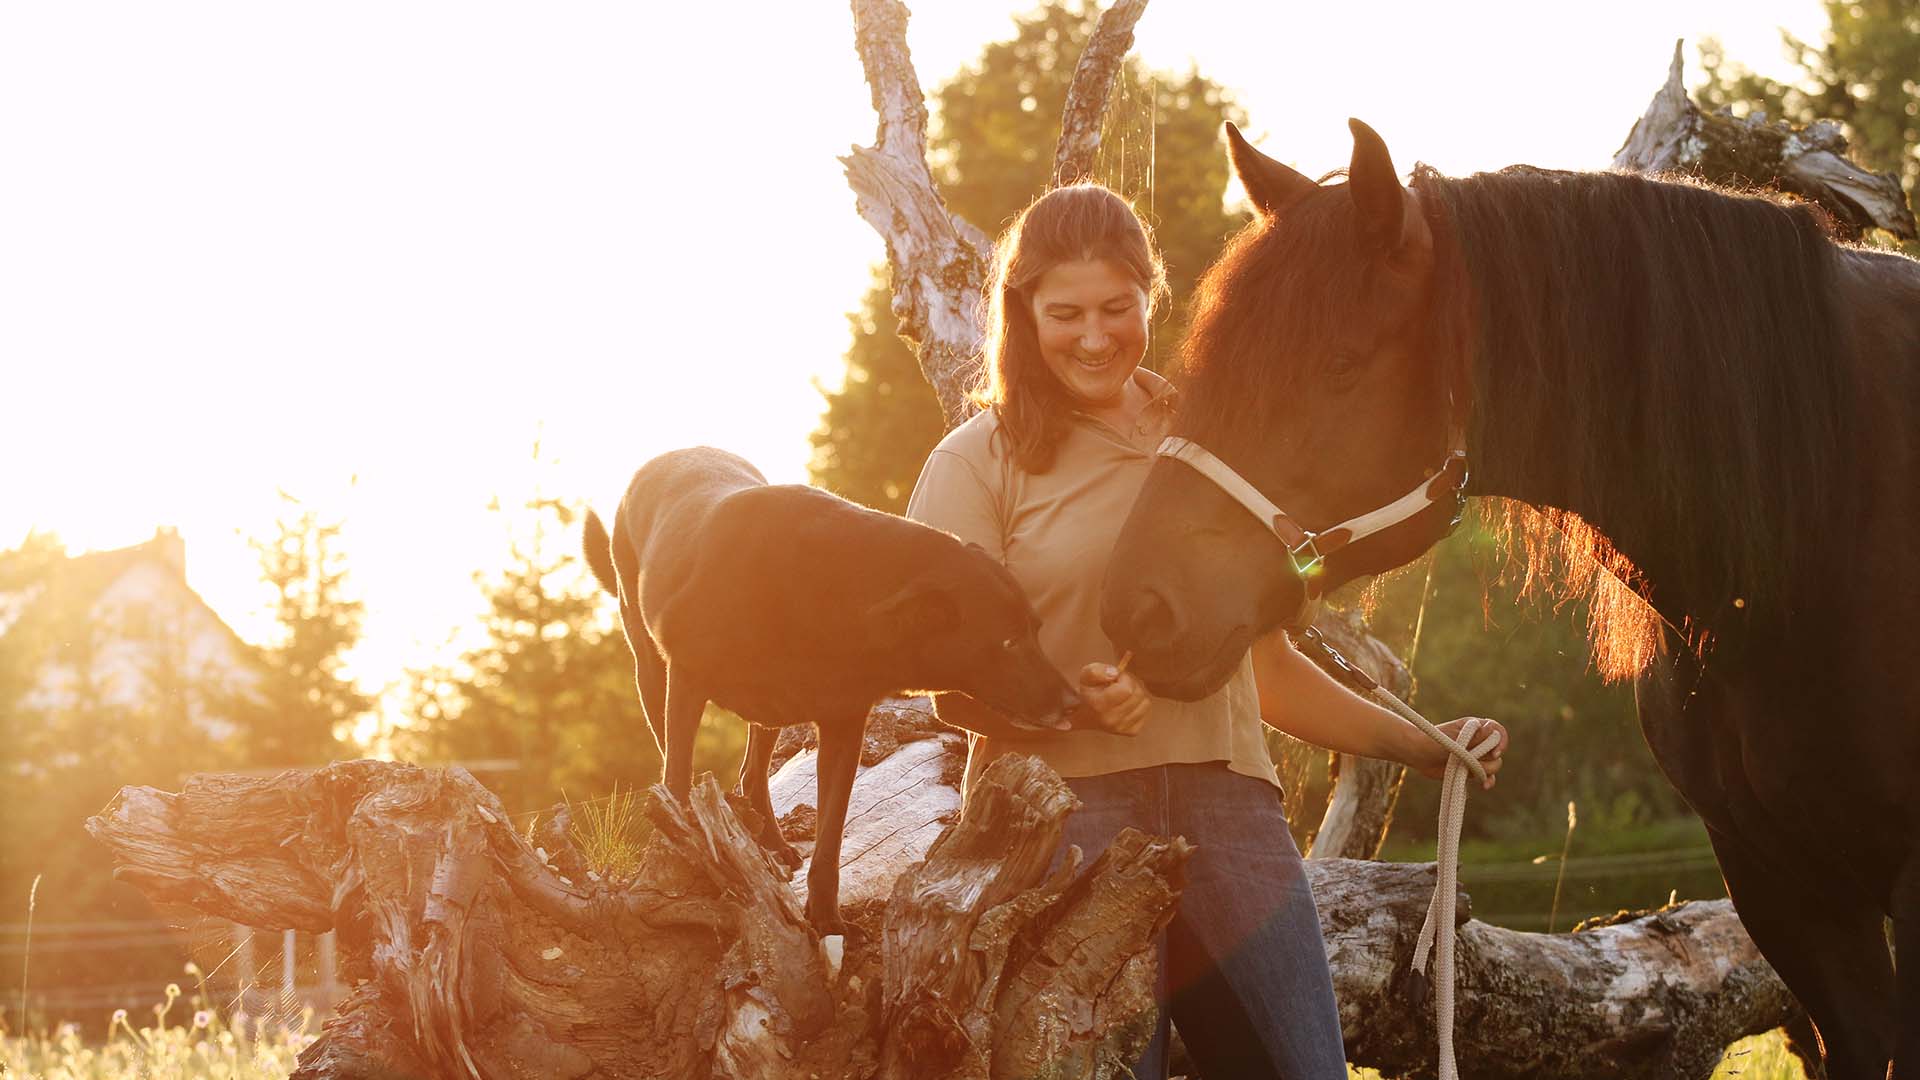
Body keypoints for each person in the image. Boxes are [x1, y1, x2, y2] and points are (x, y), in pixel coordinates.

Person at [905, 183, 1509, 1079]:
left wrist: (1421, 743)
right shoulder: (975, 462)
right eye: (1065, 312)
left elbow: (1265, 663)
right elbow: (940, 677)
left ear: (1151, 297)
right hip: (1063, 829)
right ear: (1022, 311)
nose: (1096, 335)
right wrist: (1070, 705)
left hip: (1229, 816)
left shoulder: (1208, 438)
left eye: (1119, 307)